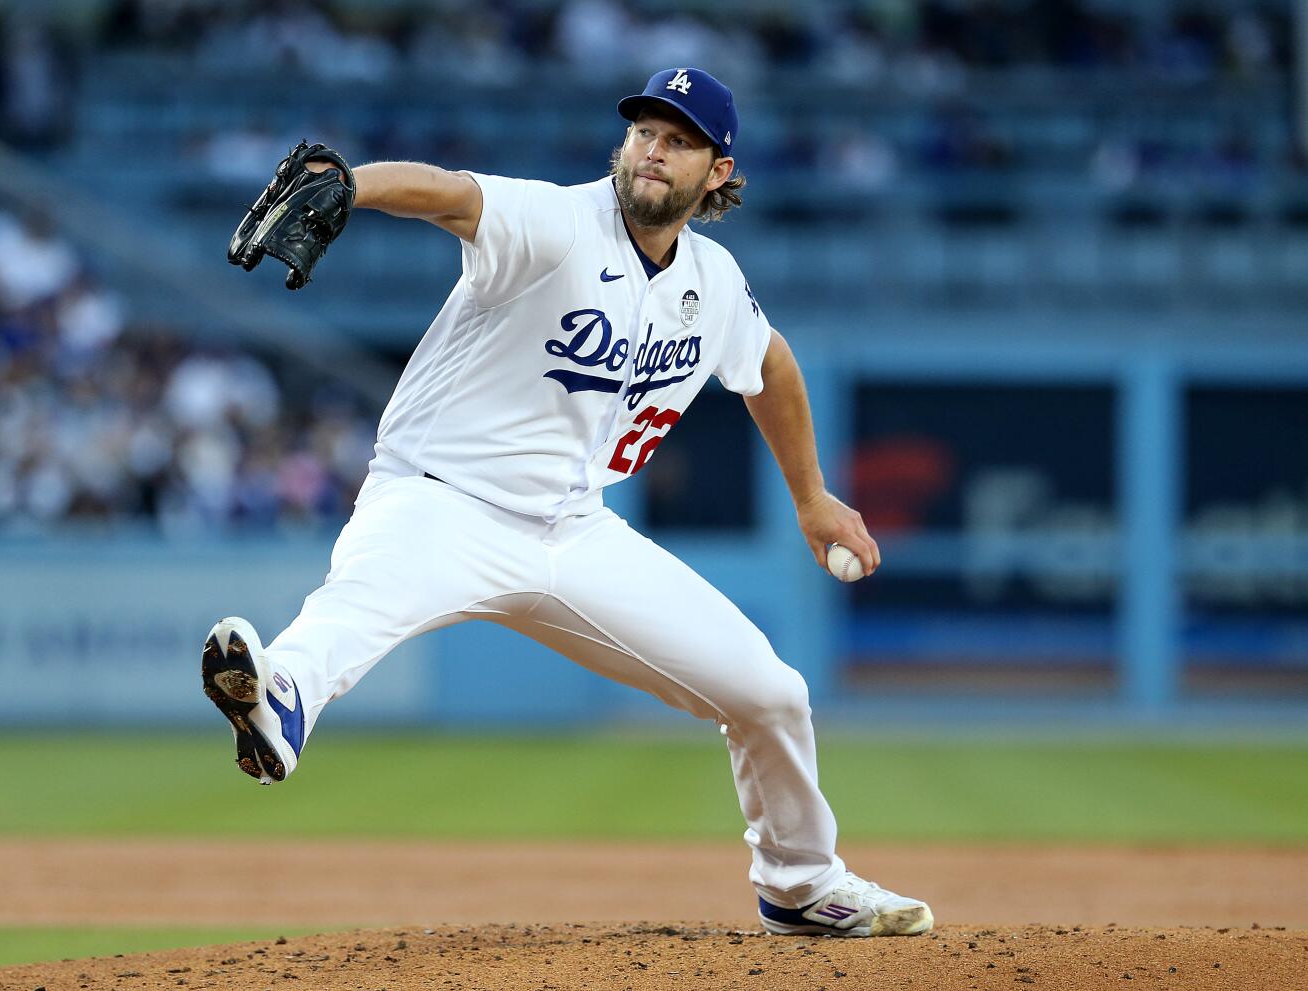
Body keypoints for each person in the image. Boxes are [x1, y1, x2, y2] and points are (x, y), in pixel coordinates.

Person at [201, 67, 933, 938]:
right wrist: (354, 186)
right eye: (644, 132)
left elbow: (769, 366)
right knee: (352, 610)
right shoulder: (557, 224)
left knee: (770, 691)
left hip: (577, 532)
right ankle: (275, 701)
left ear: (720, 173)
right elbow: (452, 196)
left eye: (680, 139)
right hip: (443, 500)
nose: (654, 149)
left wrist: (811, 497)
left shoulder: (712, 281)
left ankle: (801, 885)